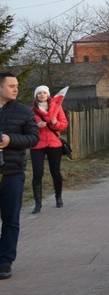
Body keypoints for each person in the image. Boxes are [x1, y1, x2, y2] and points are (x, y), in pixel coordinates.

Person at [0, 72, 40, 280]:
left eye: (17, 85)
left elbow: (33, 137)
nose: (16, 89)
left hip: (12, 172)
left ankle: (5, 262)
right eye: (11, 86)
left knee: (10, 218)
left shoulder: (23, 111)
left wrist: (10, 139)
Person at [29, 85, 70, 214]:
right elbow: (26, 126)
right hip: (37, 145)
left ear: (48, 95)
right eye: (39, 93)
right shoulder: (31, 111)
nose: (42, 95)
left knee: (55, 172)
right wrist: (36, 126)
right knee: (37, 173)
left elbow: (64, 124)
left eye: (44, 93)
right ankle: (38, 203)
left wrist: (55, 123)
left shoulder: (57, 108)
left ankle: (58, 197)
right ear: (36, 96)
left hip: (53, 144)